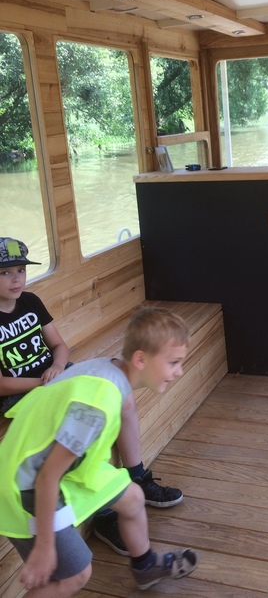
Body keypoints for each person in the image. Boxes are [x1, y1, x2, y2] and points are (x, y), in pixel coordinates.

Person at [0, 237, 183, 556]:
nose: (16, 279)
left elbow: (59, 346)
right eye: (5, 272)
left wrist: (58, 367)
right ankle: (103, 513)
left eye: (21, 270)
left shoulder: (30, 301)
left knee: (121, 394)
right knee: (78, 429)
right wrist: (43, 385)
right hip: (23, 395)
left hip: (56, 377)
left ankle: (137, 477)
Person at [0, 305, 198, 595]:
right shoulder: (96, 406)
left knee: (133, 497)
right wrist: (44, 546)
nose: (179, 372)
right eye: (173, 363)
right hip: (23, 485)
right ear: (140, 359)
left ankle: (145, 568)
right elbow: (45, 477)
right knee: (75, 576)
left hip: (66, 469)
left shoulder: (111, 368)